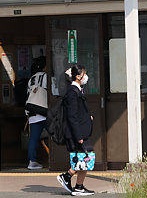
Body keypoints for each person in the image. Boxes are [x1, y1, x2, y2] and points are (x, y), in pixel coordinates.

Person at [57, 63, 95, 196]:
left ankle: (78, 185)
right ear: (78, 76)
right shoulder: (72, 92)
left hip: (82, 131)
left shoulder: (77, 89)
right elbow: (72, 116)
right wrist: (78, 135)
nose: (86, 77)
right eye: (84, 74)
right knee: (86, 156)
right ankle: (68, 176)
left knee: (85, 157)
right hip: (77, 133)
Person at [26, 56, 47, 170]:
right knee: (54, 134)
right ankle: (55, 158)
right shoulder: (46, 77)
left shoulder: (31, 79)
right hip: (45, 111)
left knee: (33, 138)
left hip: (33, 113)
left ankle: (32, 161)